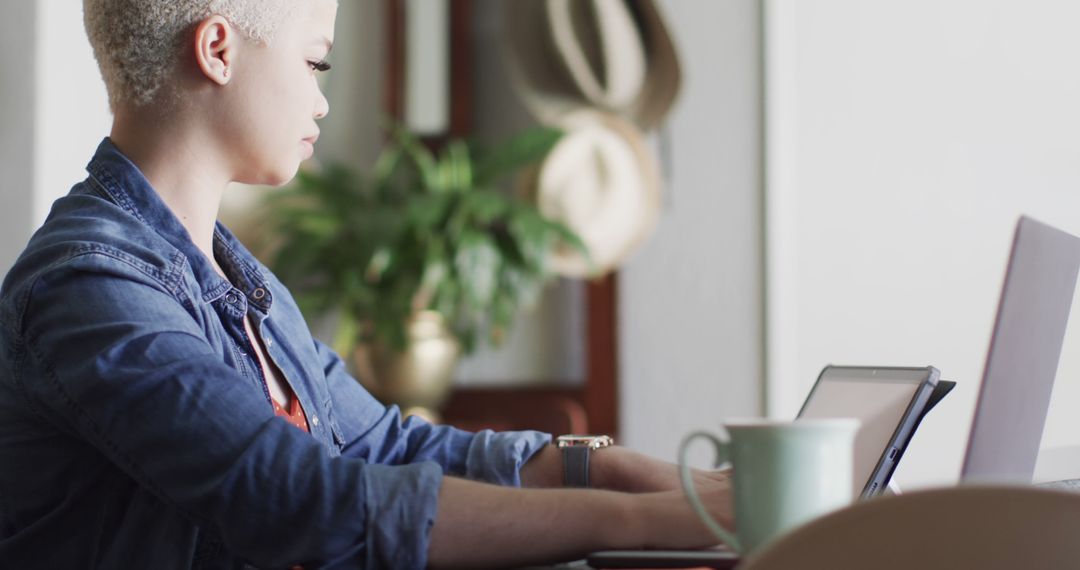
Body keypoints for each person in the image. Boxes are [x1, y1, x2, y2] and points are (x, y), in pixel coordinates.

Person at [0, 0, 733, 567]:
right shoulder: (89, 290)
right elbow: (300, 498)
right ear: (218, 49)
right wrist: (637, 522)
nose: (321, 99)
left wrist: (604, 467)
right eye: (316, 63)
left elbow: (384, 448)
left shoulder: (241, 281)